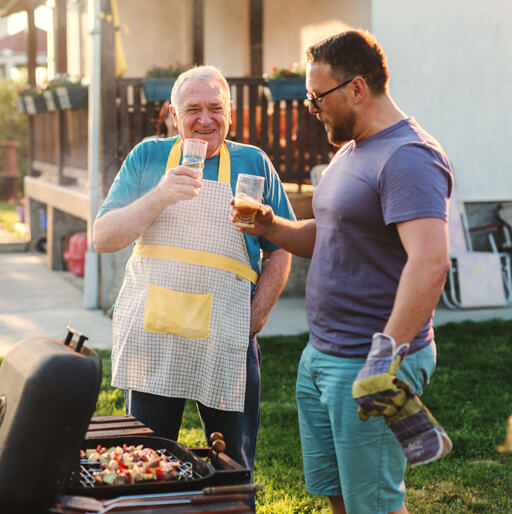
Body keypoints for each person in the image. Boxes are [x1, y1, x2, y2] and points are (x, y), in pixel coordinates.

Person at [230, 30, 453, 514]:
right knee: (341, 499)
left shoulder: (408, 157)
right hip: (322, 356)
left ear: (356, 88)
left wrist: (385, 357)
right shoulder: (352, 151)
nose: (312, 107)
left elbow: (430, 261)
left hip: (368, 362)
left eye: (317, 96)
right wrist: (274, 226)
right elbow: (330, 233)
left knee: (373, 504)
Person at [93, 65, 295, 482]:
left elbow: (281, 250)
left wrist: (257, 315)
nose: (205, 120)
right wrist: (161, 195)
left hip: (226, 334)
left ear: (231, 113)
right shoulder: (148, 158)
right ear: (172, 113)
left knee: (232, 466)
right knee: (146, 461)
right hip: (154, 335)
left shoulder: (252, 163)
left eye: (215, 108)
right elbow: (104, 237)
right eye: (192, 109)